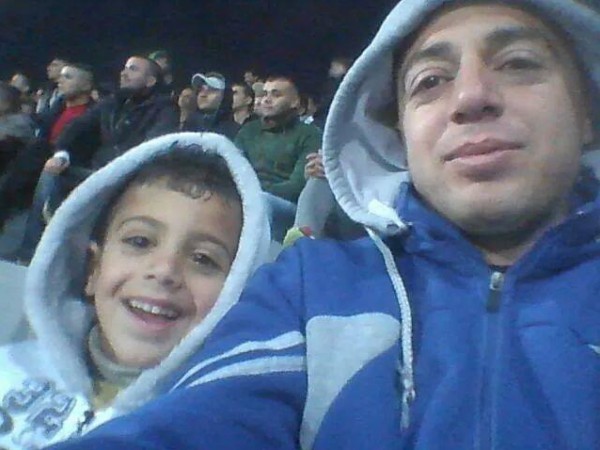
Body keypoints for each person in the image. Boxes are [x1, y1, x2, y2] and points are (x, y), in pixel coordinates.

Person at [46, 0, 600, 448]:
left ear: (588, 116)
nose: (472, 97)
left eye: (519, 63)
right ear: (400, 138)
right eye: (431, 80)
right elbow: (199, 422)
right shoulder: (307, 287)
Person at [0, 132, 270, 449]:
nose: (164, 271)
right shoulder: (10, 368)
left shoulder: (217, 431)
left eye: (203, 259)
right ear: (93, 269)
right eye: (139, 241)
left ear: (237, 289)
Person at [10, 56, 178, 263]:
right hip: (95, 174)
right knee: (52, 172)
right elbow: (76, 127)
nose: (124, 73)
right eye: (125, 68)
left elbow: (153, 147)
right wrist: (62, 153)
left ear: (150, 81)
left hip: (130, 179)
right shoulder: (113, 102)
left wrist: (116, 169)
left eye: (133, 69)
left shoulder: (165, 108)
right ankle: (30, 252)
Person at [0, 63, 95, 233]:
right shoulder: (58, 107)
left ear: (86, 85)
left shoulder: (93, 114)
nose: (60, 81)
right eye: (61, 76)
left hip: (62, 164)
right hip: (36, 157)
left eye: (68, 77)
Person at [235, 75, 322, 241]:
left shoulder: (309, 134)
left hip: (285, 208)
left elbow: (297, 187)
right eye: (264, 94)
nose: (267, 99)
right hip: (248, 198)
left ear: (295, 102)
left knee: (260, 203)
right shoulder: (248, 131)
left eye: (276, 94)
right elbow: (233, 170)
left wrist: (252, 192)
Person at [184, 72, 239, 139]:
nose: (203, 95)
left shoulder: (235, 131)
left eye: (211, 90)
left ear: (224, 96)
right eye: (200, 90)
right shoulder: (189, 126)